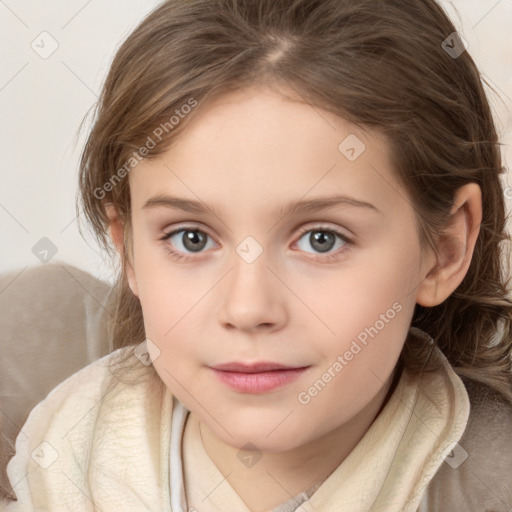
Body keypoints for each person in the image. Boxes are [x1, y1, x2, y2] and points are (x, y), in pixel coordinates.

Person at [3, 0, 512, 510]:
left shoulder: (490, 482)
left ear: (445, 249)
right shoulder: (60, 450)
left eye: (321, 239)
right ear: (128, 247)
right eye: (191, 238)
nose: (247, 309)